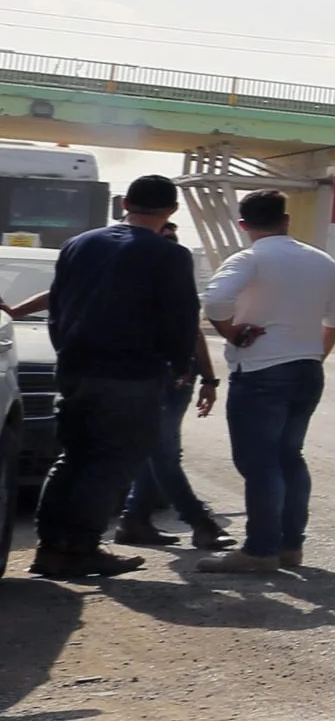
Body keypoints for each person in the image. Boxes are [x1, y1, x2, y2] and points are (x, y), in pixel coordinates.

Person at [24, 176, 202, 580]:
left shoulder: (79, 244)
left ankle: (51, 547)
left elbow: (58, 305)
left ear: (124, 202)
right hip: (130, 373)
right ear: (172, 211)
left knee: (73, 457)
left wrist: (66, 350)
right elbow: (181, 316)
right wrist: (180, 366)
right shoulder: (170, 255)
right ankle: (82, 548)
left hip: (74, 368)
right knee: (114, 460)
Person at [195, 190, 335, 577]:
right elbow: (333, 321)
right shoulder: (323, 262)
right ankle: (289, 546)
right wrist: (313, 356)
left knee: (259, 462)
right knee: (290, 457)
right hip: (307, 370)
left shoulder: (248, 259)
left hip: (262, 371)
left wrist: (231, 333)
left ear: (243, 225)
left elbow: (214, 302)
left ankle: (261, 549)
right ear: (286, 220)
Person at [115, 214, 228, 553]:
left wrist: (208, 378)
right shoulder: (125, 276)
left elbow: (192, 332)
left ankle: (134, 519)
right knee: (162, 451)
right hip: (149, 376)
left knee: (159, 449)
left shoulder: (163, 274)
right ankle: (198, 521)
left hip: (175, 377)